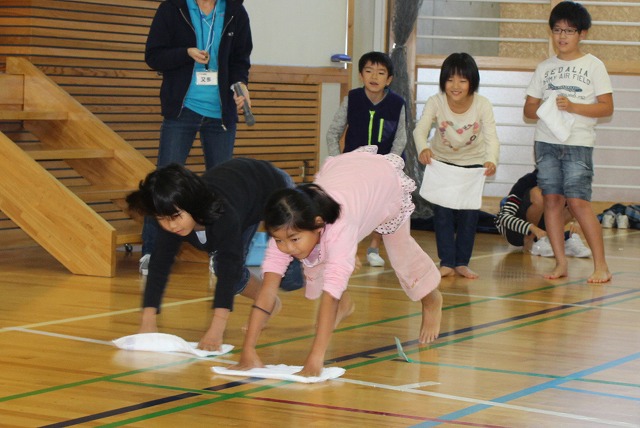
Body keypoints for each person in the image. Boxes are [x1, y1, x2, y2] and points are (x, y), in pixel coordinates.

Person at [229, 147, 442, 377]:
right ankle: (346, 304)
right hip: (346, 177)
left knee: (400, 254)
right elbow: (267, 290)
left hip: (379, 181)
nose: (287, 248)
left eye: (293, 239)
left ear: (318, 224)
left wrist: (315, 359)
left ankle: (431, 299)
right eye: (279, 240)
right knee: (315, 258)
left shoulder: (340, 228)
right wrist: (248, 350)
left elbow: (330, 296)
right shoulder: (286, 229)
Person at [125, 160, 303, 351]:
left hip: (273, 187)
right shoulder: (172, 217)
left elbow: (229, 265)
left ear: (191, 204)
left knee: (290, 280)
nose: (171, 226)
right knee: (227, 271)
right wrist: (148, 319)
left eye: (176, 217)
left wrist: (217, 329)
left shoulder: (223, 216)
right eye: (161, 219)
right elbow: (159, 266)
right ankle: (269, 302)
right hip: (245, 200)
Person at [140, 0, 253, 275]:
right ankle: (152, 252)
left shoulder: (235, 11)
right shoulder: (172, 8)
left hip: (220, 113)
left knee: (222, 187)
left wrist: (241, 86)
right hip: (182, 109)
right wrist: (185, 53)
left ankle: (221, 253)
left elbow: (240, 60)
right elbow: (153, 56)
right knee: (164, 182)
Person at [523, 0, 613, 283]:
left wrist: (573, 106)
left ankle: (602, 266)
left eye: (569, 31)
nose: (562, 36)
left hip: (579, 143)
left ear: (582, 33)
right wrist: (546, 105)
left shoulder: (593, 66)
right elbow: (528, 110)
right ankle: (560, 263)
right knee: (551, 200)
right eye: (557, 30)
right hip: (546, 142)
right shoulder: (544, 68)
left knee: (578, 202)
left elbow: (606, 108)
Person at [413, 52, 499, 279]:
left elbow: (492, 137)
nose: (455, 85)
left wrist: (492, 159)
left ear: (472, 82)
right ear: (443, 81)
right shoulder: (436, 101)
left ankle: (462, 262)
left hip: (473, 165)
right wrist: (423, 148)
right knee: (442, 215)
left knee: (469, 215)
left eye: (462, 80)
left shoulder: (482, 104)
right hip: (442, 164)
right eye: (450, 79)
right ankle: (447, 262)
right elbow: (420, 130)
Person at [326, 51, 408, 268]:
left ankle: (374, 247)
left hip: (384, 167)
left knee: (381, 209)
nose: (374, 76)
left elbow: (401, 139)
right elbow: (333, 132)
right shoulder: (352, 99)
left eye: (381, 73)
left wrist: (389, 164)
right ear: (361, 75)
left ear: (389, 79)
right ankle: (347, 249)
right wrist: (337, 161)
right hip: (354, 166)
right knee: (350, 208)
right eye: (369, 71)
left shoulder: (398, 103)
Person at [495, 169, 592, 258]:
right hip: (516, 232)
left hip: (542, 230)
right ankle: (531, 241)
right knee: (538, 195)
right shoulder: (527, 181)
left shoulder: (565, 183)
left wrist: (576, 222)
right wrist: (533, 229)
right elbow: (503, 218)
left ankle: (561, 240)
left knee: (574, 201)